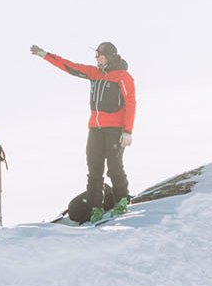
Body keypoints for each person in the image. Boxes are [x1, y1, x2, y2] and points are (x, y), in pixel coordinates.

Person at [30, 41, 136, 212]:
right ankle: (95, 208)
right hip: (95, 128)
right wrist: (45, 55)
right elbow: (70, 66)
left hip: (115, 129)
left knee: (114, 166)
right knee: (94, 168)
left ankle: (121, 202)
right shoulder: (93, 73)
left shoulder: (123, 76)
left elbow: (131, 103)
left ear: (109, 56)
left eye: (99, 55)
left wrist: (127, 131)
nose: (96, 58)